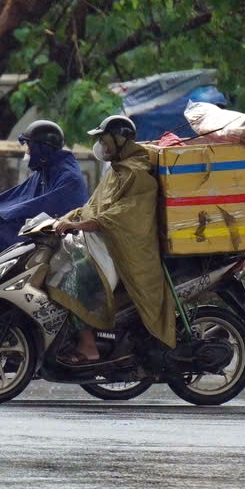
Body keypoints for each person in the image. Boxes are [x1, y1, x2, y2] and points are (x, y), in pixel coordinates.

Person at [45, 114, 177, 365]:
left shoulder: (137, 174)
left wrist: (77, 224)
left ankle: (89, 347)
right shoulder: (118, 170)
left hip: (124, 254)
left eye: (104, 140)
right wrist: (65, 219)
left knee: (75, 283)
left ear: (120, 140)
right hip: (103, 247)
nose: (101, 146)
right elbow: (93, 206)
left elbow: (118, 218)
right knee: (60, 268)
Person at [0, 120, 90, 252]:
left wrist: (1, 217)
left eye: (30, 147)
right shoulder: (46, 169)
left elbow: (41, 207)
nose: (27, 152)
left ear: (42, 149)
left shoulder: (69, 178)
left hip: (63, 249)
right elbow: (19, 197)